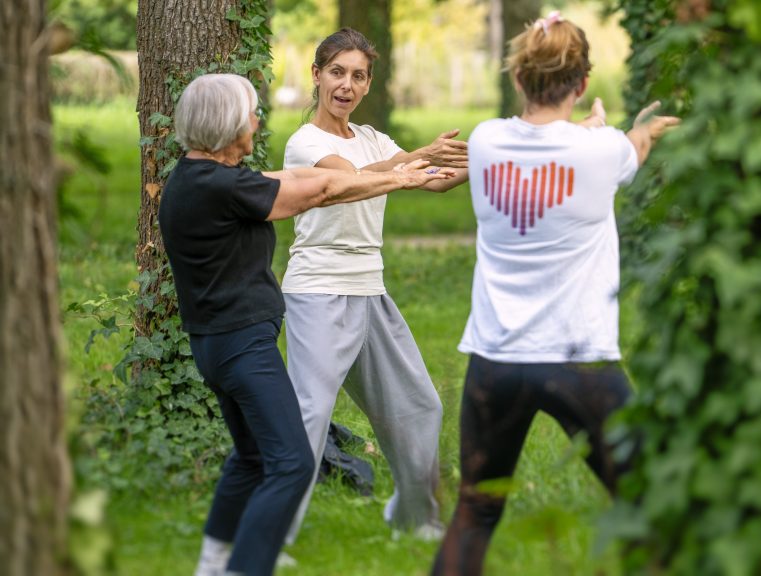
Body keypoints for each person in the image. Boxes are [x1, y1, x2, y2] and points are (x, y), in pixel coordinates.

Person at [157, 73, 453, 576]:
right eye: (251, 114)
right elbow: (318, 191)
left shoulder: (197, 179)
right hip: (241, 348)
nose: (257, 121)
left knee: (251, 457)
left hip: (216, 345)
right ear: (229, 125)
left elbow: (294, 181)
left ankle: (214, 561)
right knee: (292, 462)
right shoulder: (223, 188)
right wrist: (398, 177)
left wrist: (406, 165)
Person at [430, 12, 679, 576]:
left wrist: (589, 130)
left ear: (519, 78)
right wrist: (637, 126)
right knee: (651, 506)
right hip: (581, 363)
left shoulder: (489, 141)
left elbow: (546, 139)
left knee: (474, 511)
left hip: (496, 361)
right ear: (583, 83)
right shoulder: (602, 151)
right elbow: (632, 147)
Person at [280, 27, 469, 545]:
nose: (346, 84)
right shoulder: (306, 143)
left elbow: (431, 177)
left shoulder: (373, 139)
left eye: (358, 76)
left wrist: (487, 159)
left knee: (419, 406)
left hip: (370, 291)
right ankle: (269, 539)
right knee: (309, 415)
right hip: (319, 292)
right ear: (316, 76)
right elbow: (348, 182)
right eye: (337, 72)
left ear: (368, 85)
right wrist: (411, 162)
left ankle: (415, 519)